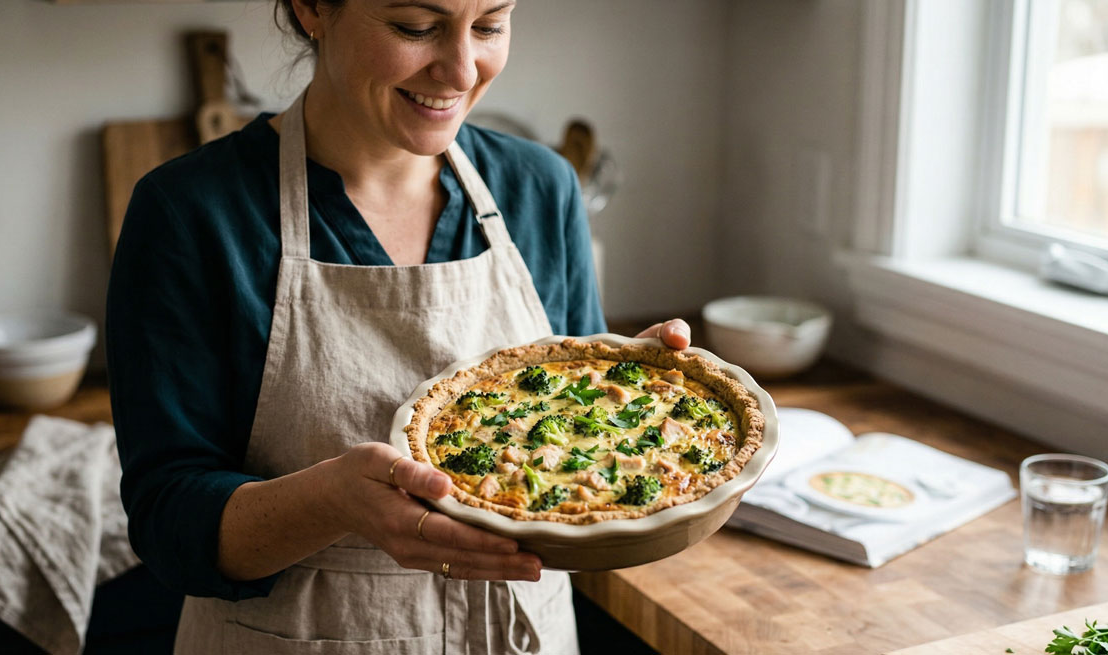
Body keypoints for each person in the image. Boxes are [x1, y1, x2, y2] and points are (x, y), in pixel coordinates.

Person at [105, 0, 693, 652]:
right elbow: (168, 525)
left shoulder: (541, 189)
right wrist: (334, 501)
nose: (463, 70)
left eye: (491, 24)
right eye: (417, 27)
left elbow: (580, 469)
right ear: (312, 9)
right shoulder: (192, 213)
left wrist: (637, 417)